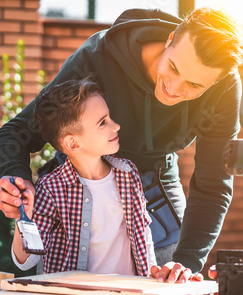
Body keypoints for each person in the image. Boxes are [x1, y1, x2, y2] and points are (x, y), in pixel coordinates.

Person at [0, 7, 243, 282]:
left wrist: (187, 262)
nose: (174, 88)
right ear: (170, 38)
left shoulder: (224, 89)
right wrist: (16, 181)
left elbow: (213, 183)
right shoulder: (97, 59)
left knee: (164, 293)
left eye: (195, 86)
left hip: (156, 183)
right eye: (173, 67)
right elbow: (17, 132)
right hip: (80, 182)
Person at [12, 79, 159, 276]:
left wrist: (152, 276)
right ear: (73, 144)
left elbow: (143, 235)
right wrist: (24, 218)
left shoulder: (128, 174)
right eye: (102, 123)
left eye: (109, 117)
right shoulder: (51, 188)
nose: (116, 126)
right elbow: (27, 260)